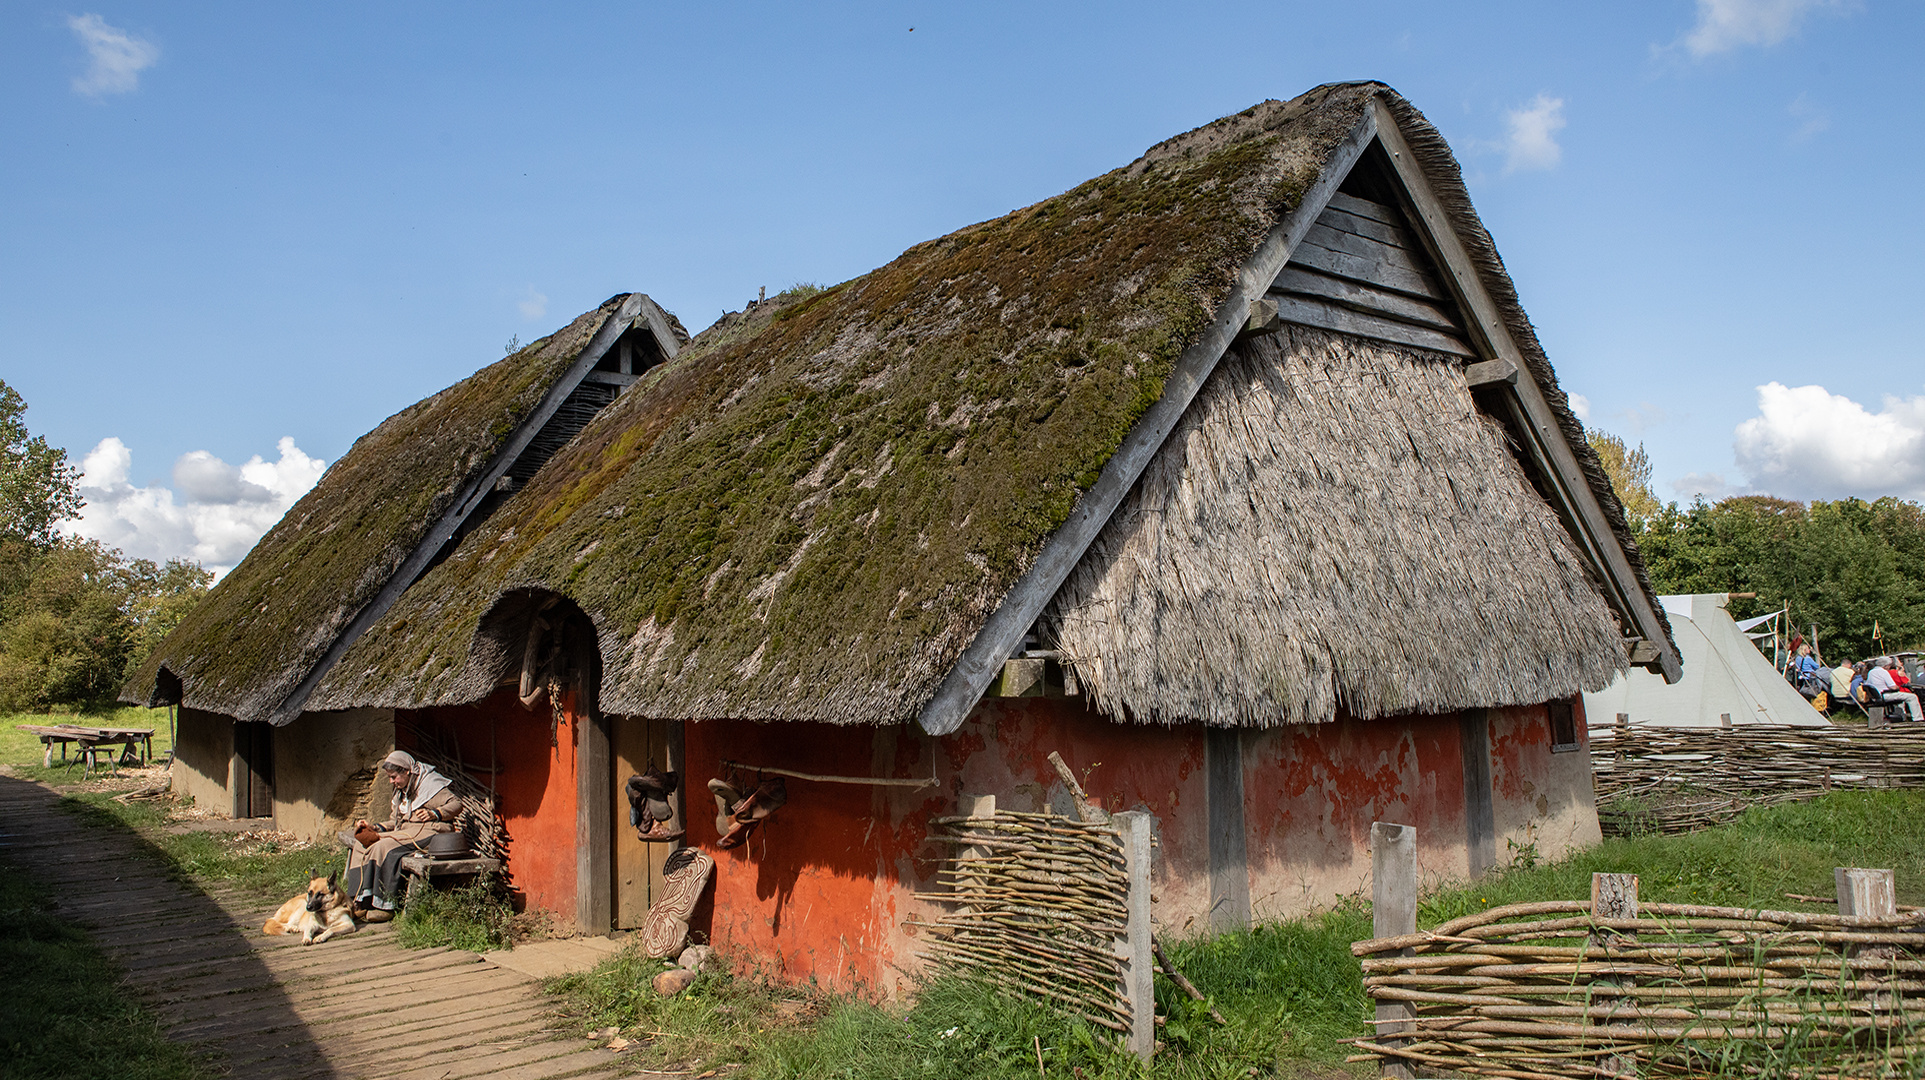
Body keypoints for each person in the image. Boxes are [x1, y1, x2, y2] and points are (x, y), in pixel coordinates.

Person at [343, 751, 462, 920]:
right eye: (390, 778)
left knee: (382, 847)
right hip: (405, 830)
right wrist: (374, 827)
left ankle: (383, 905)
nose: (392, 782)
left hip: (430, 831)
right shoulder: (402, 790)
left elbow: (456, 804)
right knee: (361, 844)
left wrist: (435, 813)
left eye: (394, 777)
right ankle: (359, 900)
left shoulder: (429, 785)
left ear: (406, 771)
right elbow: (395, 821)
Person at [1867, 658, 1922, 723]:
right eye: (1889, 665)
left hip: (1876, 696)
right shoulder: (1883, 672)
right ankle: (1917, 718)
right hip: (1885, 695)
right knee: (1912, 697)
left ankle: (1901, 717)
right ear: (1885, 665)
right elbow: (1893, 687)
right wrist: (1898, 687)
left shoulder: (1871, 672)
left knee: (1902, 696)